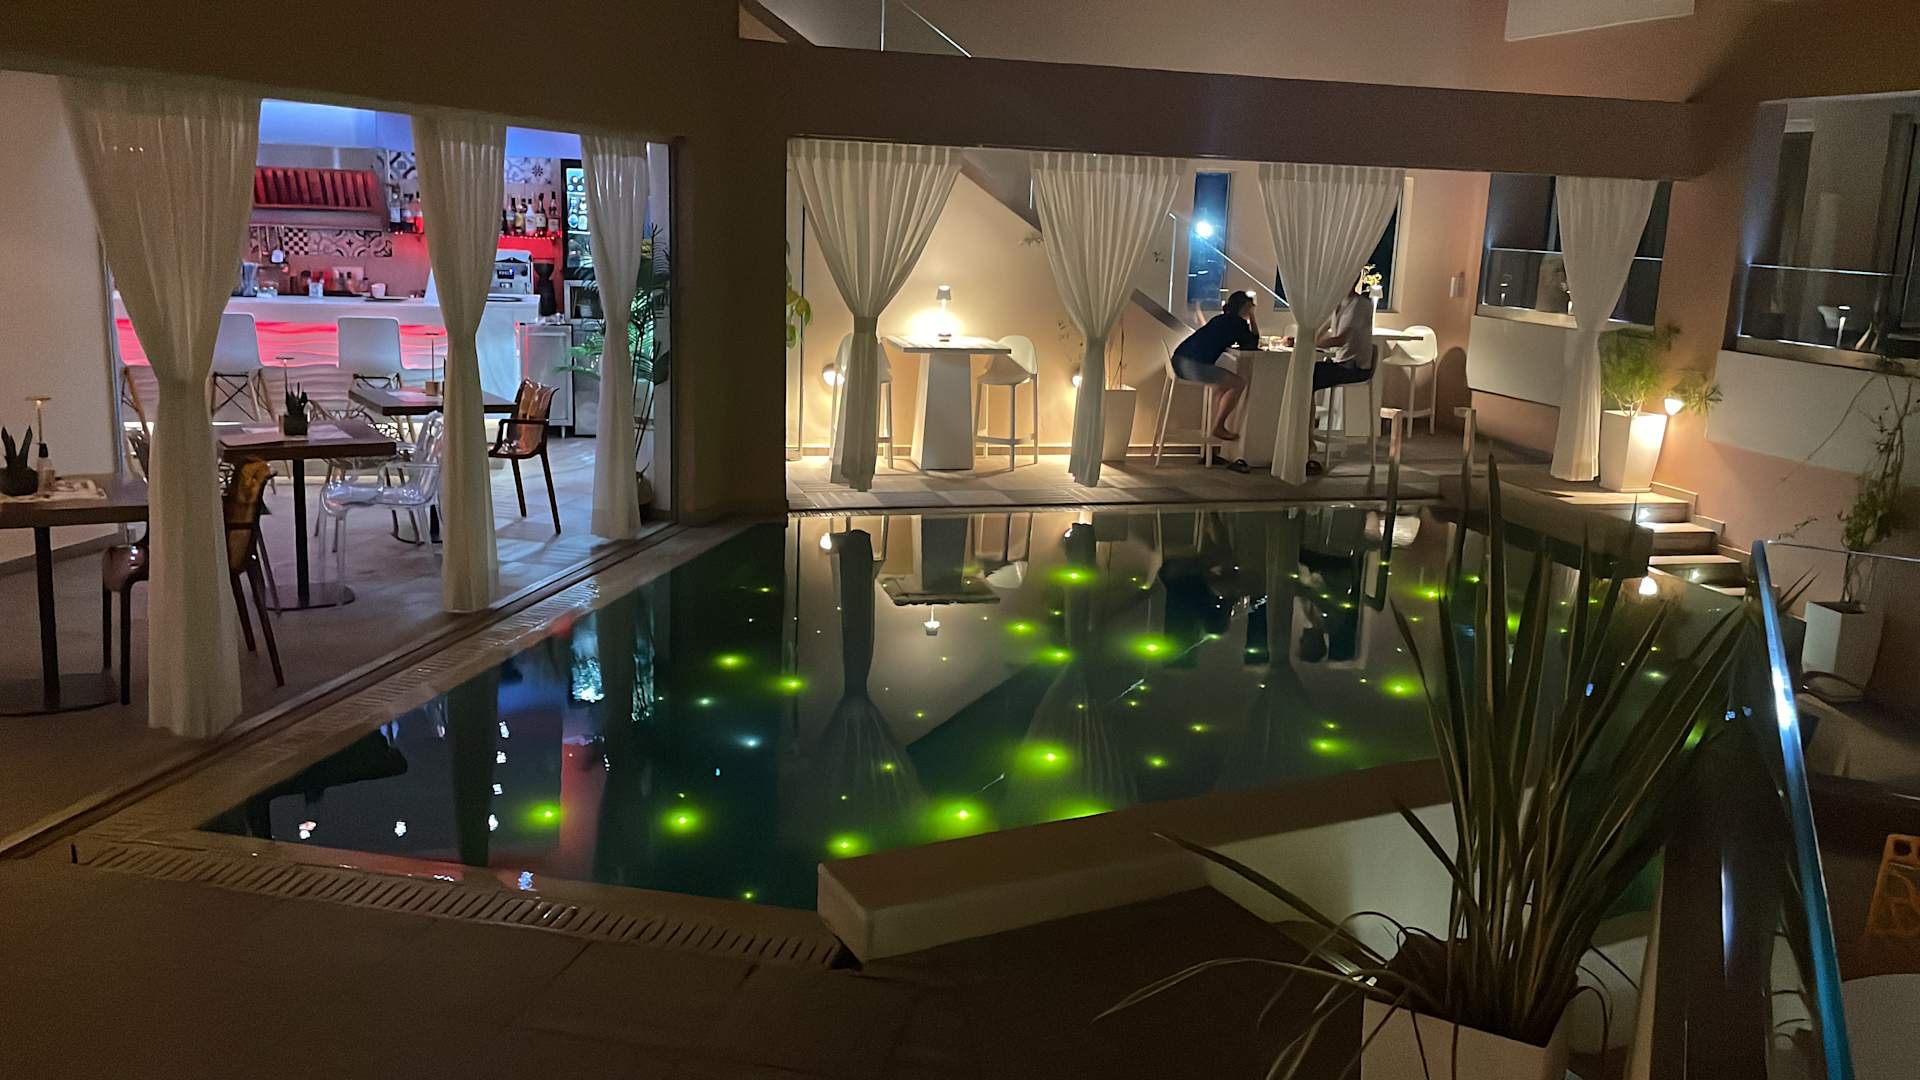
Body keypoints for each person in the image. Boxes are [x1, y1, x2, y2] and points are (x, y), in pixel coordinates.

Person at [1171, 290, 1260, 443]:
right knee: (1238, 383)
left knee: (1223, 386)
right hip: (1192, 366)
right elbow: (1252, 343)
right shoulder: (1237, 323)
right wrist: (1252, 316)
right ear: (1245, 306)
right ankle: (1218, 426)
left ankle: (1214, 427)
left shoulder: (1221, 319)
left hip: (1179, 360)